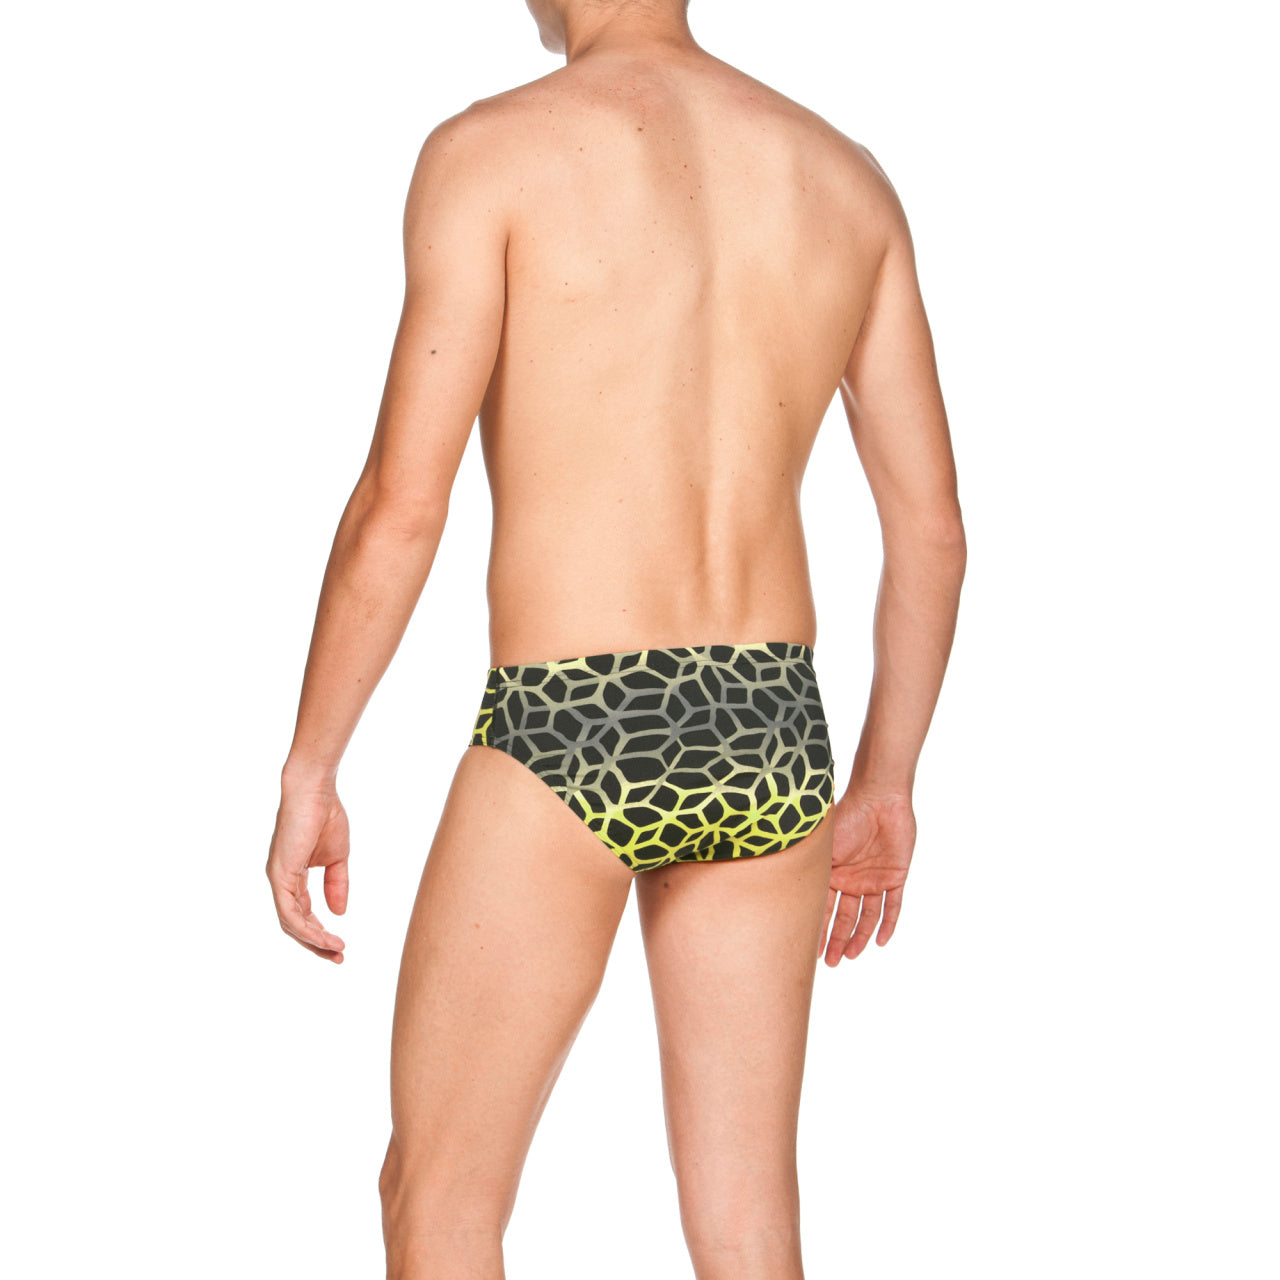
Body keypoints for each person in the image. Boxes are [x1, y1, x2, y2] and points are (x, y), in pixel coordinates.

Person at [265, 0, 965, 1275]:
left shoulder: (490, 153)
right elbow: (931, 533)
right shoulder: (840, 177)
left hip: (571, 719)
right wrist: (886, 779)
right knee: (748, 1227)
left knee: (440, 1199)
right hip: (768, 724)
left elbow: (398, 506)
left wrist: (312, 761)